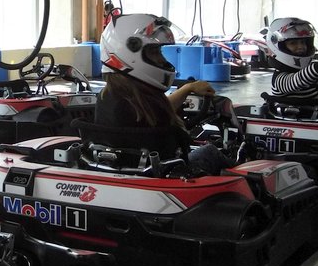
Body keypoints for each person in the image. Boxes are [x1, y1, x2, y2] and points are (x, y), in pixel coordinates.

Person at [92, 12, 227, 175]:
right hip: (168, 173)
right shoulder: (144, 104)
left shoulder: (110, 97)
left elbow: (157, 110)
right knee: (210, 151)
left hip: (128, 170)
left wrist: (187, 89)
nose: (162, 59)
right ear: (132, 53)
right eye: (155, 52)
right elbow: (179, 134)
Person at [264, 17, 318, 105]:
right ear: (279, 47)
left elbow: (315, 87)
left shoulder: (309, 72)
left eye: (303, 42)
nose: (301, 47)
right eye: (293, 43)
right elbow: (299, 79)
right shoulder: (279, 80)